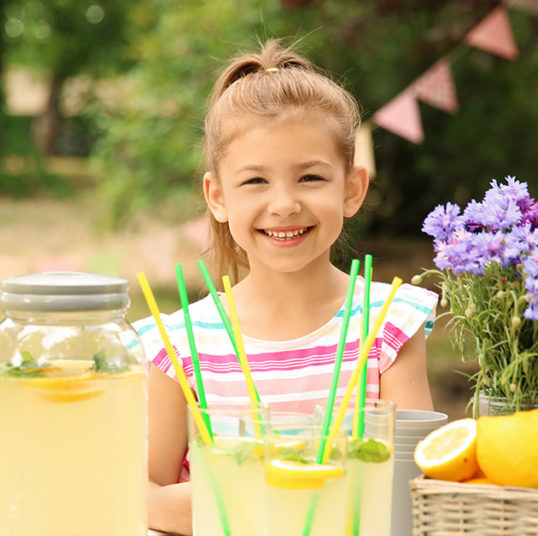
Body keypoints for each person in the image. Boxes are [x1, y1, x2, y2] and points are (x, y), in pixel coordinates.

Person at [132, 39, 438, 535]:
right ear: (217, 196)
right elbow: (139, 492)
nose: (284, 204)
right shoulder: (179, 343)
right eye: (255, 181)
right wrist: (229, 505)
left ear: (352, 189)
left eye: (311, 177)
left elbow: (412, 490)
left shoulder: (390, 326)